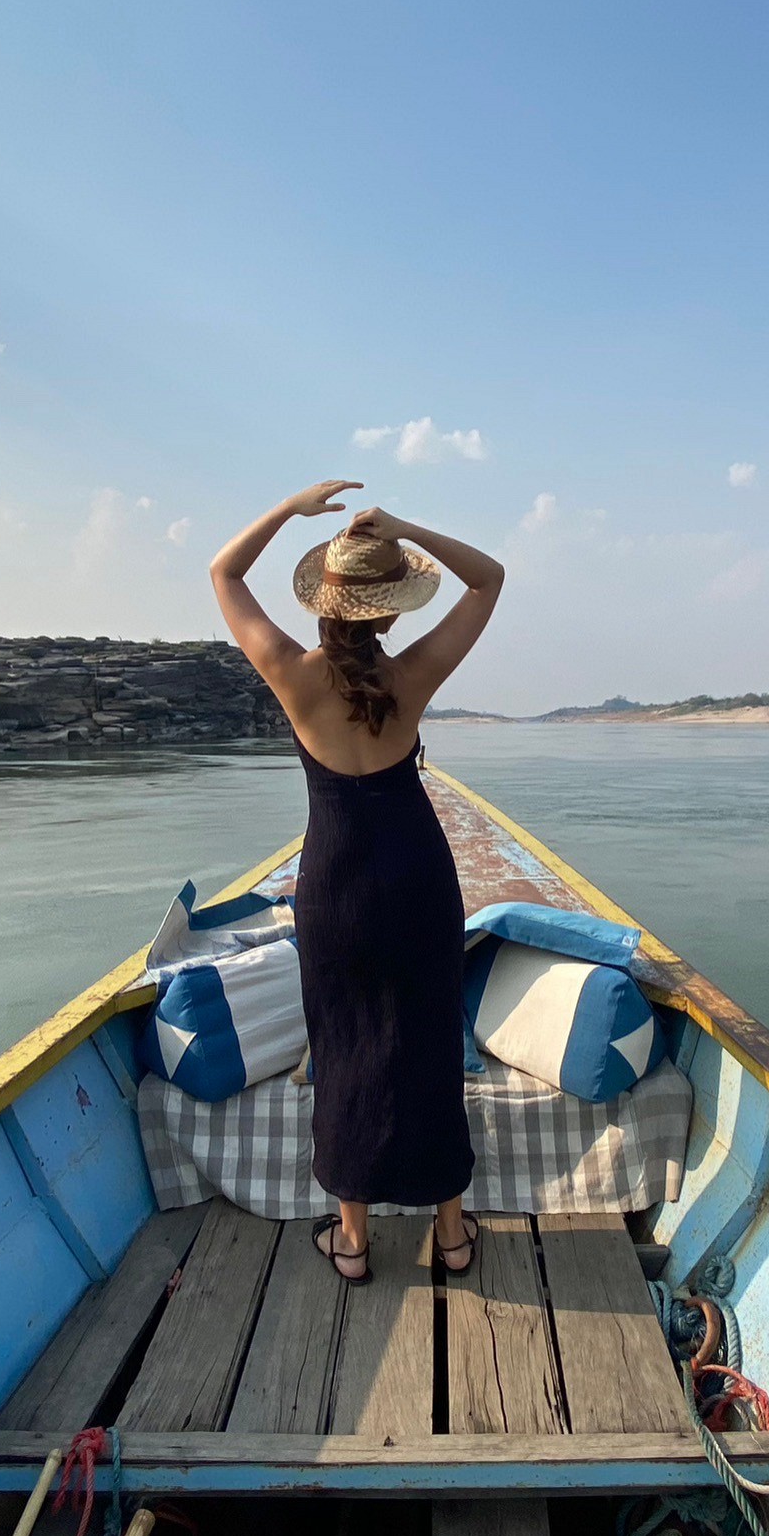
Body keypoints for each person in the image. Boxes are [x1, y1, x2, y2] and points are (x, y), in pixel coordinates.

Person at [210, 479, 505, 1282]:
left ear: (323, 600)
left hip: (334, 883)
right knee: (429, 1039)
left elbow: (223, 576)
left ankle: (352, 1238)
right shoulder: (412, 675)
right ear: (389, 611)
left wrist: (284, 510)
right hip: (417, 876)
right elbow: (489, 578)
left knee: (342, 1045)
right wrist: (406, 525)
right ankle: (449, 1232)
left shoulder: (289, 672)